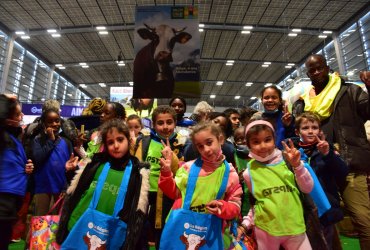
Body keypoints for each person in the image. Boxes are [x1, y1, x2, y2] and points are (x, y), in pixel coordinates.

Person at [292, 54, 370, 249]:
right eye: (312, 70)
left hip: (350, 165)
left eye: (320, 68)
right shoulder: (302, 103)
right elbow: (296, 132)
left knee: (363, 221)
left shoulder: (349, 90)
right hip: (319, 171)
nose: (317, 72)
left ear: (327, 67)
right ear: (308, 74)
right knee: (325, 224)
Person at [56, 119, 150, 249]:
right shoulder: (95, 164)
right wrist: (70, 171)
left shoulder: (137, 172)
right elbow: (77, 189)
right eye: (110, 142)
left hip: (111, 231)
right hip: (79, 223)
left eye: (120, 140)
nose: (116, 146)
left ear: (129, 140)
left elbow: (136, 208)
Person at [158, 122, 242, 249]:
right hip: (180, 226)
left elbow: (235, 206)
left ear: (220, 139)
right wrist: (165, 173)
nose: (206, 150)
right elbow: (174, 193)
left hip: (211, 232)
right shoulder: (188, 168)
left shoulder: (230, 174)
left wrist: (222, 208)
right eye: (200, 146)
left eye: (209, 142)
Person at [237, 120, 313, 250]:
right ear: (248, 144)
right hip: (266, 230)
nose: (263, 146)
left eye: (267, 139)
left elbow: (307, 188)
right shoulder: (249, 173)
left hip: (296, 227)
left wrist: (297, 166)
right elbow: (255, 203)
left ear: (274, 139)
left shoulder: (288, 160)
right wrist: (245, 224)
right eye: (256, 141)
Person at [131, 105, 186, 249]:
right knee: (139, 230)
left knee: (163, 232)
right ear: (154, 125)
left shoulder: (182, 145)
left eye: (169, 122)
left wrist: (172, 157)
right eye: (160, 123)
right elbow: (136, 167)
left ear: (175, 123)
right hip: (144, 194)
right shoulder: (145, 142)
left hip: (167, 196)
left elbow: (182, 173)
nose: (165, 127)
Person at [292, 112, 348, 249]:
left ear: (320, 130)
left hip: (326, 206)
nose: (310, 131)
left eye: (314, 127)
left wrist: (328, 154)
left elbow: (342, 172)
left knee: (326, 243)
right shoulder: (292, 153)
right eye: (305, 128)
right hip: (303, 209)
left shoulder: (327, 148)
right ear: (297, 131)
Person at [0, 94, 34, 249]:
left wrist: (25, 168)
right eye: (17, 114)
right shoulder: (2, 135)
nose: (22, 116)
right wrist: (4, 99)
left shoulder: (14, 137)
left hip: (12, 201)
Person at [32, 104, 74, 216]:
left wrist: (71, 167)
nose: (55, 124)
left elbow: (69, 163)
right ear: (44, 123)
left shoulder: (66, 142)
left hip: (61, 187)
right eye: (50, 121)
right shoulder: (38, 140)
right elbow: (38, 158)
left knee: (58, 220)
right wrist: (50, 140)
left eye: (57, 121)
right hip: (43, 187)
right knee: (40, 221)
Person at [259, 85, 295, 149]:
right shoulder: (257, 121)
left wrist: (289, 126)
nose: (270, 100)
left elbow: (294, 139)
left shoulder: (287, 118)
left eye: (274, 97)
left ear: (280, 100)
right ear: (262, 100)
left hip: (284, 156)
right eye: (266, 97)